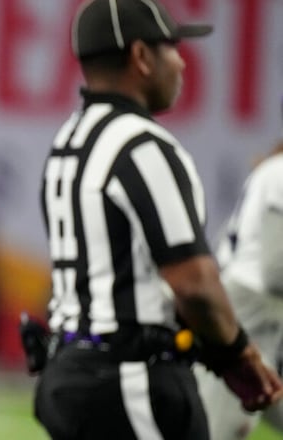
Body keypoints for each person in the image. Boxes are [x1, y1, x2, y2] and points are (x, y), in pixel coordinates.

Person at [33, 1, 283, 439]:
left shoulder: (68, 141)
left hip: (67, 371)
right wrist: (239, 359)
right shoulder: (144, 147)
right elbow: (194, 283)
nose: (183, 62)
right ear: (141, 57)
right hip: (129, 376)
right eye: (171, 47)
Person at [195, 131, 283, 439]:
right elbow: (275, 272)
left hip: (260, 313)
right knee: (220, 431)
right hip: (249, 311)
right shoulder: (280, 172)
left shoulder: (273, 169)